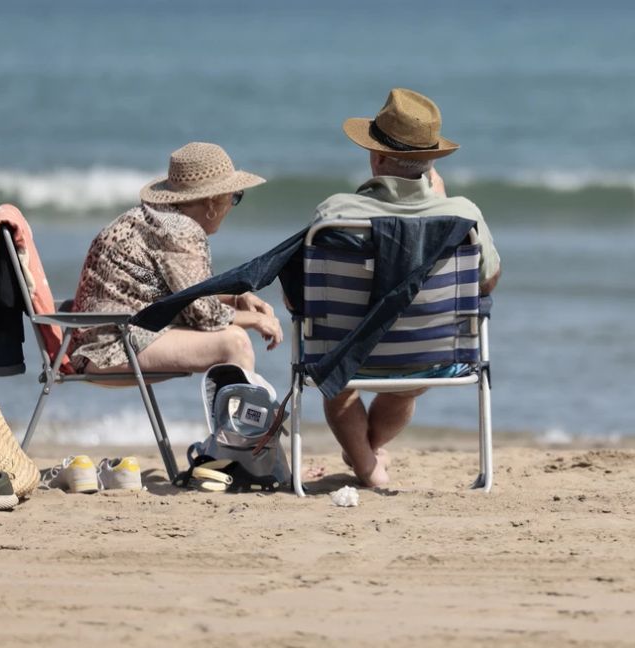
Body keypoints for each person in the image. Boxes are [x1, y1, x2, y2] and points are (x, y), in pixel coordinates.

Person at [310, 88, 501, 487]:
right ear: (430, 162)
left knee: (337, 383)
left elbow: (305, 292)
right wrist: (441, 205)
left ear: (376, 157)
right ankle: (367, 458)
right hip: (430, 357)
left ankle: (366, 465)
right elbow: (487, 281)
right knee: (405, 386)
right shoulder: (461, 215)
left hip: (344, 357)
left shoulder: (335, 213)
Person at [68, 142, 283, 376]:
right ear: (212, 202)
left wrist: (234, 298)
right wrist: (255, 320)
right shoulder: (180, 230)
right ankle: (239, 414)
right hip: (109, 349)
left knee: (233, 337)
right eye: (234, 197)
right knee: (235, 343)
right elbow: (205, 316)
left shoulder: (154, 218)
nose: (232, 206)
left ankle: (237, 411)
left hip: (92, 343)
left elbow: (179, 293)